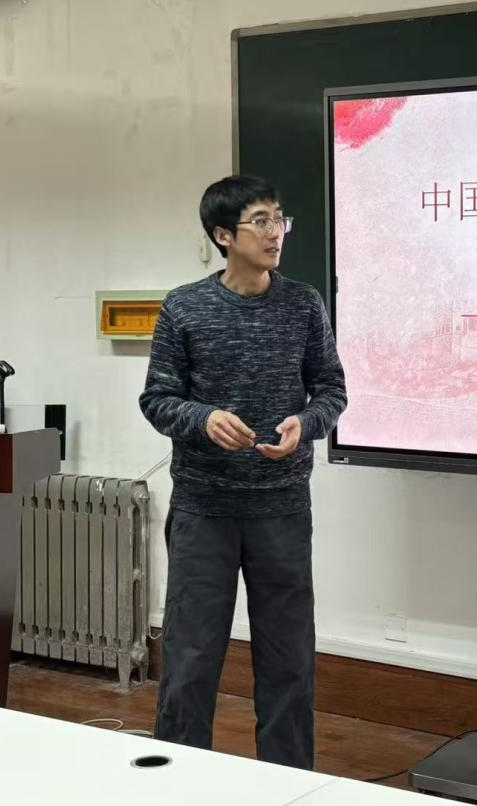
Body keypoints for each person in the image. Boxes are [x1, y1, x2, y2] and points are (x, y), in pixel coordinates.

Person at [139, 175, 347, 769]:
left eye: (279, 219)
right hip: (204, 509)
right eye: (261, 221)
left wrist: (305, 424)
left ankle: (288, 783)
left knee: (289, 661)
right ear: (223, 235)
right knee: (190, 659)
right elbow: (157, 399)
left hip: (282, 507)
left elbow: (331, 390)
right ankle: (181, 780)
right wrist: (203, 419)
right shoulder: (185, 306)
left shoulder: (303, 303)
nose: (275, 232)